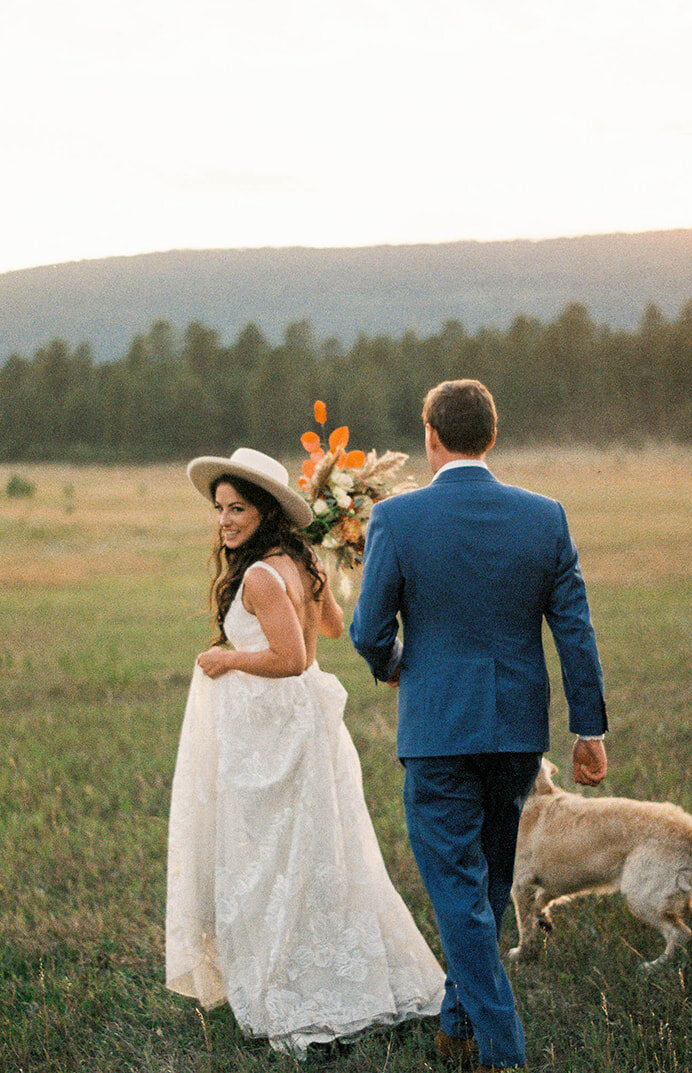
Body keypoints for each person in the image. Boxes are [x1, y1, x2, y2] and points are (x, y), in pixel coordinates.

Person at [350, 380, 610, 1071]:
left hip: (437, 729)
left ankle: (502, 1048)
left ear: (431, 436)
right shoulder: (544, 517)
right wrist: (590, 730)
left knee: (462, 889)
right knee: (489, 879)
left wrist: (395, 663)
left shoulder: (398, 519)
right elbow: (575, 632)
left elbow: (368, 629)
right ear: (490, 436)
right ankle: (456, 1021)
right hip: (517, 733)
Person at [165, 447, 446, 1058]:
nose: (225, 520)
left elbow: (292, 659)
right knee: (320, 853)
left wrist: (227, 657)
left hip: (275, 734)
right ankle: (337, 971)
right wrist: (319, 578)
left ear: (265, 511)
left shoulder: (263, 576)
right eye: (219, 509)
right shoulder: (300, 561)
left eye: (237, 508)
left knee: (273, 858)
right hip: (299, 727)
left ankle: (295, 989)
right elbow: (335, 627)